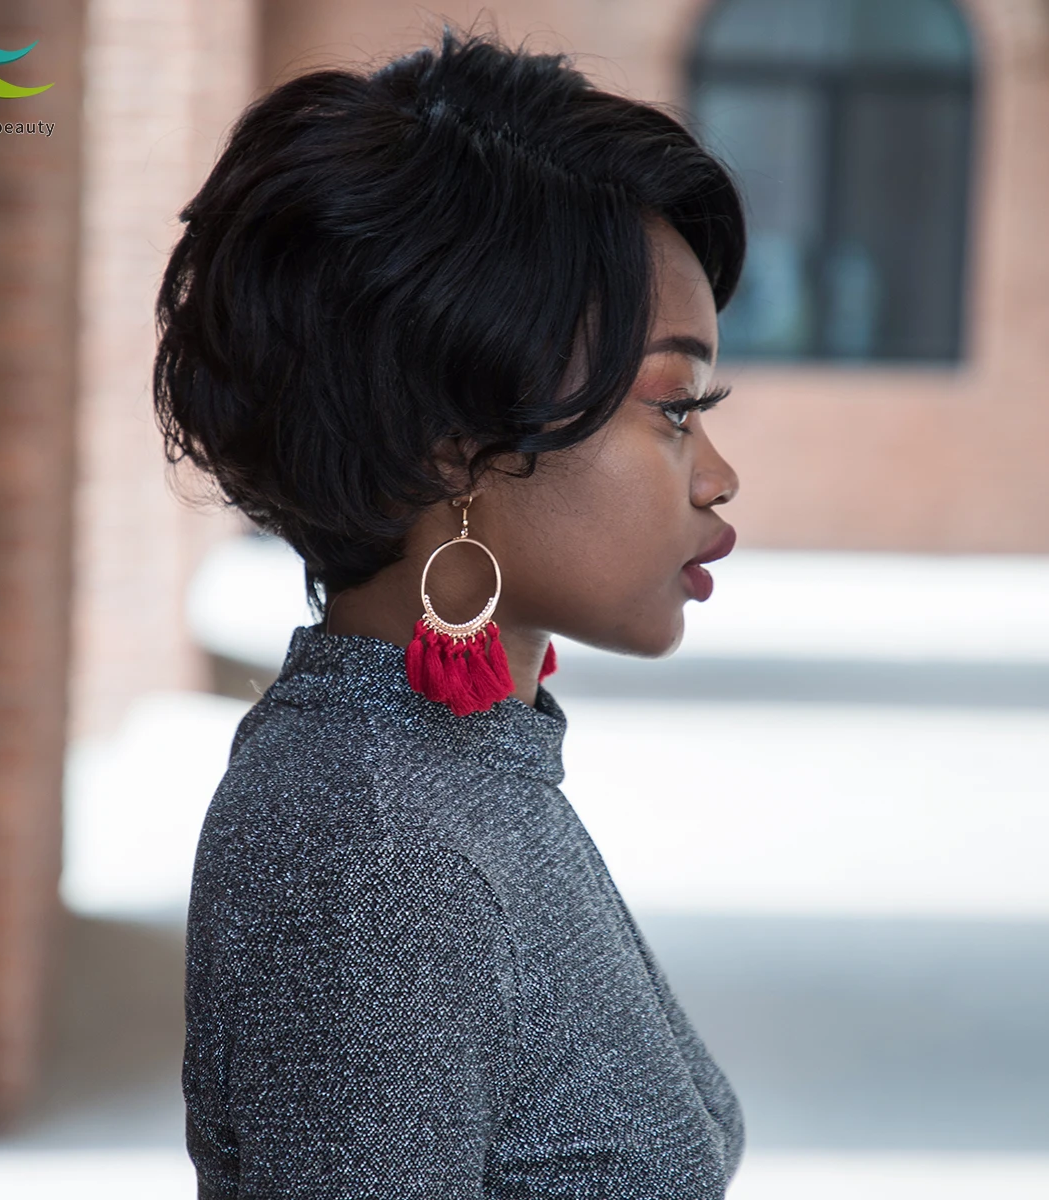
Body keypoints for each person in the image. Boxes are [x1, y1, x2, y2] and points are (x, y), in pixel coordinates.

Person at [154, 25, 747, 1198]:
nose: (718, 477)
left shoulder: (452, 772)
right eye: (675, 408)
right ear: (456, 444)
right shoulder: (377, 854)